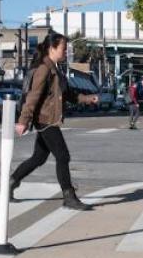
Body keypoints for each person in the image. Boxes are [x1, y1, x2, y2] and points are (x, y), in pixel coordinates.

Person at [10, 33, 99, 210]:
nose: (66, 52)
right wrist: (23, 121)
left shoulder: (55, 69)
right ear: (52, 48)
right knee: (62, 155)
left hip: (48, 119)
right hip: (45, 120)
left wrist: (88, 98)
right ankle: (69, 196)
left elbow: (69, 95)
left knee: (38, 158)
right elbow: (33, 97)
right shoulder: (44, 68)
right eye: (63, 48)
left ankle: (10, 183)